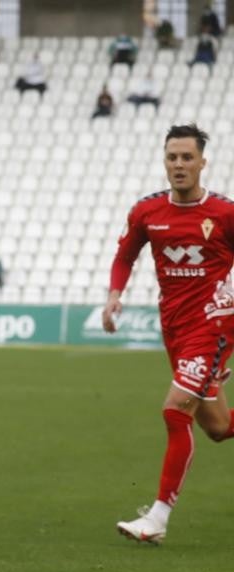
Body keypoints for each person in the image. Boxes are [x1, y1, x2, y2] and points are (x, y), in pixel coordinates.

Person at [107, 124, 234, 545]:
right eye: (172, 158)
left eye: (186, 157)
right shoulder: (147, 212)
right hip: (175, 327)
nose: (178, 165)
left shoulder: (224, 214)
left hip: (213, 325)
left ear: (202, 162)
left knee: (175, 410)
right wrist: (114, 297)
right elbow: (125, 254)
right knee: (217, 428)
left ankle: (157, 518)